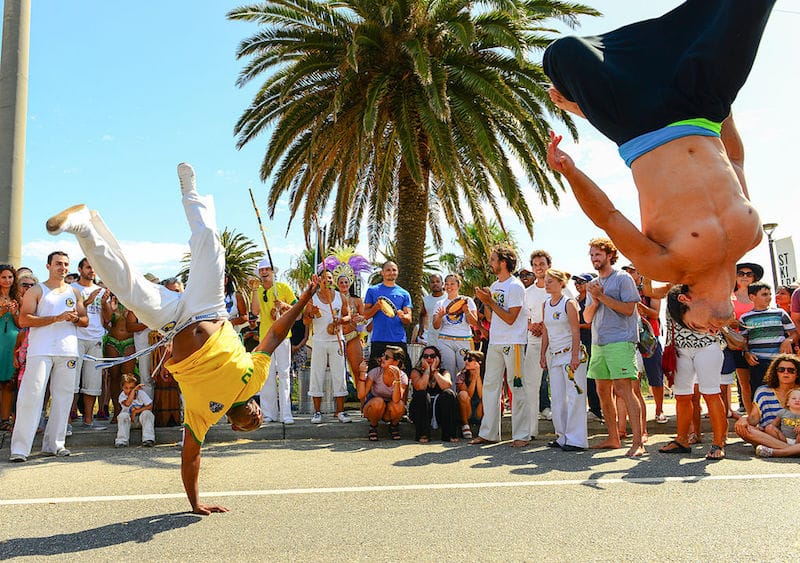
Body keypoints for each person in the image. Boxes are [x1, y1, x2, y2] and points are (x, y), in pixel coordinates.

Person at [43, 163, 317, 514]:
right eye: (260, 418)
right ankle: (191, 191)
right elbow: (276, 334)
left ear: (234, 427)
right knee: (211, 246)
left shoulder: (204, 415)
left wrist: (195, 502)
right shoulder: (255, 379)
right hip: (209, 307)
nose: (257, 418)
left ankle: (82, 226)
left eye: (252, 425)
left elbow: (190, 458)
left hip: (173, 320)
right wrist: (304, 299)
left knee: (126, 287)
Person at [544, 1, 776, 334]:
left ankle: (586, 102)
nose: (711, 331)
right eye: (708, 331)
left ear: (685, 302)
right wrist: (724, 108)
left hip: (639, 125)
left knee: (561, 54)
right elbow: (735, 160)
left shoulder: (667, 266)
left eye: (696, 327)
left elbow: (609, 217)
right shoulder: (751, 237)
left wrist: (571, 172)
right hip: (701, 110)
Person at [9, 251, 89, 462]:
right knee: (31, 397)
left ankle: (55, 444)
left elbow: (85, 320)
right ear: (48, 266)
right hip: (41, 349)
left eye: (65, 264)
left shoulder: (74, 291)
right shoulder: (37, 290)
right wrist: (55, 318)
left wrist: (74, 320)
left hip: (68, 350)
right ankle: (20, 449)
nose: (62, 268)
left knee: (63, 398)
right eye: (58, 264)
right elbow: (24, 320)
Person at [583, 238, 644, 457]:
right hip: (598, 342)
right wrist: (595, 300)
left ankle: (638, 442)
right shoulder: (594, 284)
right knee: (602, 391)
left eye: (597, 254)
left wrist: (602, 296)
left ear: (609, 255)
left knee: (624, 389)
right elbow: (587, 317)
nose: (594, 259)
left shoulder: (623, 278)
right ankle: (613, 438)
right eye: (591, 255)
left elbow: (629, 309)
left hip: (620, 341)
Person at [471, 244, 530, 447]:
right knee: (490, 386)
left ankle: (522, 434)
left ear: (503, 262)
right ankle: (489, 433)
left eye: (493, 259)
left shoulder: (515, 286)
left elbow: (511, 318)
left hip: (513, 342)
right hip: (495, 341)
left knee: (517, 387)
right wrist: (486, 302)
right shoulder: (496, 286)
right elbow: (492, 316)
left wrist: (491, 302)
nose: (490, 263)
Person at [659, 309, 728, 459]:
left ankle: (718, 443)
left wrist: (717, 324)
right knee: (682, 396)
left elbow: (729, 315)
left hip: (707, 345)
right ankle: (682, 441)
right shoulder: (672, 290)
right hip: (678, 348)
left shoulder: (709, 290)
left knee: (711, 394)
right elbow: (649, 290)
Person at [540, 269, 588, 451]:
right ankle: (562, 436)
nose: (547, 283)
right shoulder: (545, 304)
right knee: (558, 398)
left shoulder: (569, 303)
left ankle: (576, 440)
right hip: (555, 355)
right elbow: (545, 331)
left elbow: (576, 331)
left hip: (570, 354)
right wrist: (542, 354)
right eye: (546, 280)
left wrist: (575, 356)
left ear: (561, 283)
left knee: (575, 396)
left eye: (550, 281)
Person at [251, 256, 297, 425]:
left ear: (272, 271)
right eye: (261, 270)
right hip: (265, 338)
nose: (264, 273)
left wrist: (284, 306)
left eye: (266, 270)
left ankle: (286, 413)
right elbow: (255, 311)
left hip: (283, 336)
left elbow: (297, 310)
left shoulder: (283, 287)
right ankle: (269, 413)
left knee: (284, 374)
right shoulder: (257, 290)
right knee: (266, 376)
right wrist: (254, 291)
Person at [304, 269, 351, 424]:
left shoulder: (340, 297)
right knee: (317, 375)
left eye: (330, 278)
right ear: (319, 280)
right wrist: (311, 313)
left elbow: (348, 315)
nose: (327, 280)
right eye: (324, 278)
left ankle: (340, 412)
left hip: (337, 340)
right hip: (319, 341)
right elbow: (305, 321)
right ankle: (317, 412)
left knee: (339, 375)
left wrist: (340, 321)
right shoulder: (312, 298)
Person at [622, 264, 667, 423]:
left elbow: (655, 313)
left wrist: (637, 304)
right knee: (634, 377)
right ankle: (636, 415)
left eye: (632, 270)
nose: (628, 273)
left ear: (641, 272)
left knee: (655, 376)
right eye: (626, 270)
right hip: (629, 337)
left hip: (650, 337)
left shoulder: (651, 289)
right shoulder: (623, 288)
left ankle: (659, 410)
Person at [739, 282, 797, 402]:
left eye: (770, 294)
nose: (769, 297)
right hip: (758, 362)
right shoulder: (745, 318)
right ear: (752, 297)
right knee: (761, 393)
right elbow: (743, 340)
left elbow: (794, 332)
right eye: (764, 294)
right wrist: (746, 353)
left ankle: (785, 419)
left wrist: (788, 340)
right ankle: (764, 419)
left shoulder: (780, 313)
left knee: (785, 392)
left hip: (780, 362)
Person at [71, 258, 111, 429]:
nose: (92, 270)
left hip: (96, 339)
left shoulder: (101, 290)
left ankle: (88, 419)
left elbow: (108, 318)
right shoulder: (72, 289)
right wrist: (87, 302)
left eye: (94, 267)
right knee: (72, 381)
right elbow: (72, 314)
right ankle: (68, 419)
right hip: (76, 337)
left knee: (93, 382)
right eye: (88, 267)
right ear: (80, 269)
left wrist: (103, 303)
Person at [734, 354, 800, 458]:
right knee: (743, 429)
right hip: (770, 436)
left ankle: (778, 452)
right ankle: (793, 450)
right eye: (781, 370)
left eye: (791, 370)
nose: (785, 373)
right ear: (776, 372)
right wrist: (743, 419)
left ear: (797, 373)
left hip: (797, 436)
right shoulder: (763, 391)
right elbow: (754, 419)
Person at [522, 250, 553, 433]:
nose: (539, 268)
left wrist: (546, 326)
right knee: (531, 387)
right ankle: (530, 431)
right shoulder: (527, 292)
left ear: (549, 265)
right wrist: (531, 326)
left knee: (558, 387)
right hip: (533, 342)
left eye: (542, 264)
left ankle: (562, 432)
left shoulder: (562, 288)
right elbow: (522, 317)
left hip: (556, 343)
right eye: (535, 265)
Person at [363, 261, 412, 368]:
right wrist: (377, 306)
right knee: (374, 374)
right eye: (388, 270)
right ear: (382, 273)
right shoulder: (372, 290)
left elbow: (409, 319)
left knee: (402, 373)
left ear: (397, 272)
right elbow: (365, 314)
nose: (391, 272)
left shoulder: (404, 293)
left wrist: (404, 317)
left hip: (398, 340)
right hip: (378, 339)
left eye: (394, 270)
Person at [431, 273, 477, 382]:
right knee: (447, 371)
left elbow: (474, 322)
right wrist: (440, 316)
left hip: (464, 340)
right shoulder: (440, 303)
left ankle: (464, 397)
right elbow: (436, 326)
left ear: (458, 285)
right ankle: (450, 396)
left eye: (452, 283)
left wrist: (466, 311)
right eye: (446, 284)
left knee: (465, 371)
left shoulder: (467, 300)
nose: (449, 287)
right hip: (445, 340)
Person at [408, 345, 459, 443]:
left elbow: (446, 385)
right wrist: (427, 370)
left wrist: (434, 371)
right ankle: (423, 433)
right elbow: (420, 387)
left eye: (432, 356)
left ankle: (449, 434)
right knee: (421, 395)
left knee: (448, 394)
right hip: (421, 411)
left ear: (437, 358)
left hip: (439, 411)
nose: (429, 359)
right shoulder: (415, 372)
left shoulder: (444, 372)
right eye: (426, 356)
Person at [357, 346, 408, 441]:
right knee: (378, 401)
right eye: (383, 355)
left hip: (388, 410)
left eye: (387, 357)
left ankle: (393, 426)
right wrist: (362, 373)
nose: (382, 359)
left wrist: (397, 379)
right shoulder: (376, 372)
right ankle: (373, 426)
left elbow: (396, 399)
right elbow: (361, 395)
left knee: (399, 405)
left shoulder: (402, 376)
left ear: (396, 362)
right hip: (373, 408)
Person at [573, 273, 602, 421]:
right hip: (579, 342)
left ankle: (597, 410)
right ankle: (590, 408)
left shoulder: (592, 299)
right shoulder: (575, 300)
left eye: (581, 281)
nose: (577, 284)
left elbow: (591, 322)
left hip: (593, 341)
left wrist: (575, 326)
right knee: (581, 377)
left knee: (593, 377)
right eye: (575, 282)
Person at [0, 264, 20, 431]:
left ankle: (5, 420)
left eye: (10, 277)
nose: (7, 280)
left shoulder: (18, 298)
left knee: (8, 383)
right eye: (3, 277)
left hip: (11, 343)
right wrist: (2, 310)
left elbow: (21, 323)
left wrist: (14, 313)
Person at [115, 373, 155, 447]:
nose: (129, 390)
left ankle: (148, 439)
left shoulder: (141, 393)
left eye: (132, 388)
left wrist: (136, 411)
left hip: (141, 421)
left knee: (147, 413)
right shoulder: (122, 395)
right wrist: (133, 392)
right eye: (126, 388)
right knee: (122, 416)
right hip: (128, 422)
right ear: (122, 388)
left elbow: (149, 406)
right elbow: (127, 403)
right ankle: (122, 441)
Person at [456, 350, 484, 440]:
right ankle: (465, 425)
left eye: (470, 359)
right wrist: (474, 379)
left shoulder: (486, 375)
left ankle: (485, 426)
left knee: (486, 398)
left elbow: (481, 395)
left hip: (480, 408)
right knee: (463, 394)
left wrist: (478, 376)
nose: (466, 361)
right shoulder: (461, 375)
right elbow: (468, 395)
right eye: (465, 359)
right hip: (467, 408)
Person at [418, 274, 444, 346]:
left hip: (447, 334)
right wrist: (421, 328)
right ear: (429, 284)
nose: (435, 284)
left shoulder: (448, 297)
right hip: (432, 334)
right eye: (432, 282)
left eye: (438, 281)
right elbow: (422, 314)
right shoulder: (426, 300)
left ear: (442, 284)